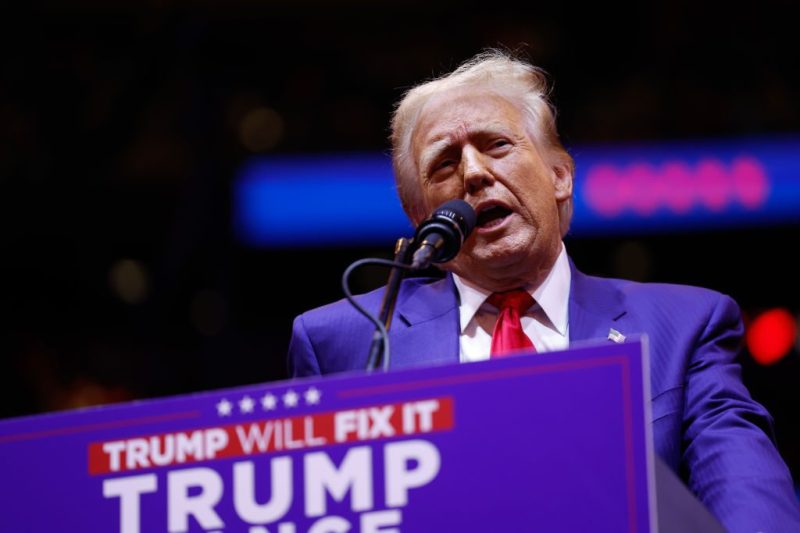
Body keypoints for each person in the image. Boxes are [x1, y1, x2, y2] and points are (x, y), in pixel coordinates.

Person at [287, 50, 800, 531]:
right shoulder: (344, 340)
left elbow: (748, 495)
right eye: (444, 164)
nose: (473, 173)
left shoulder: (685, 325)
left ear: (560, 177)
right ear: (421, 217)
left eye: (497, 145)